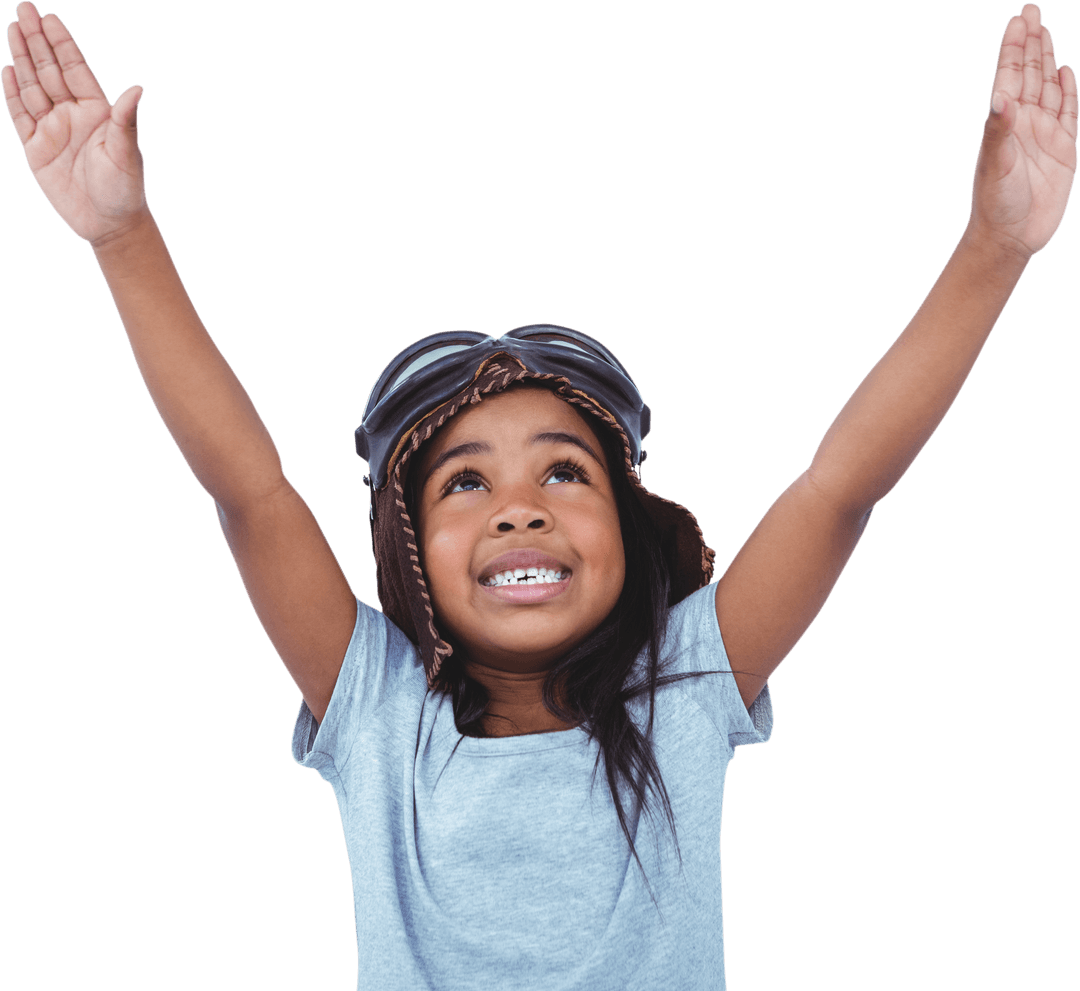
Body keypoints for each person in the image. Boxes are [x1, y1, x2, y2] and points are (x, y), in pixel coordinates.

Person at [4, 2, 1076, 988]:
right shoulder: (378, 715)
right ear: (407, 549)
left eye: (564, 469)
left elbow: (839, 488)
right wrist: (122, 238)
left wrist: (993, 250)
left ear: (631, 525)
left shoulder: (685, 691)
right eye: (465, 482)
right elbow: (249, 489)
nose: (520, 508)